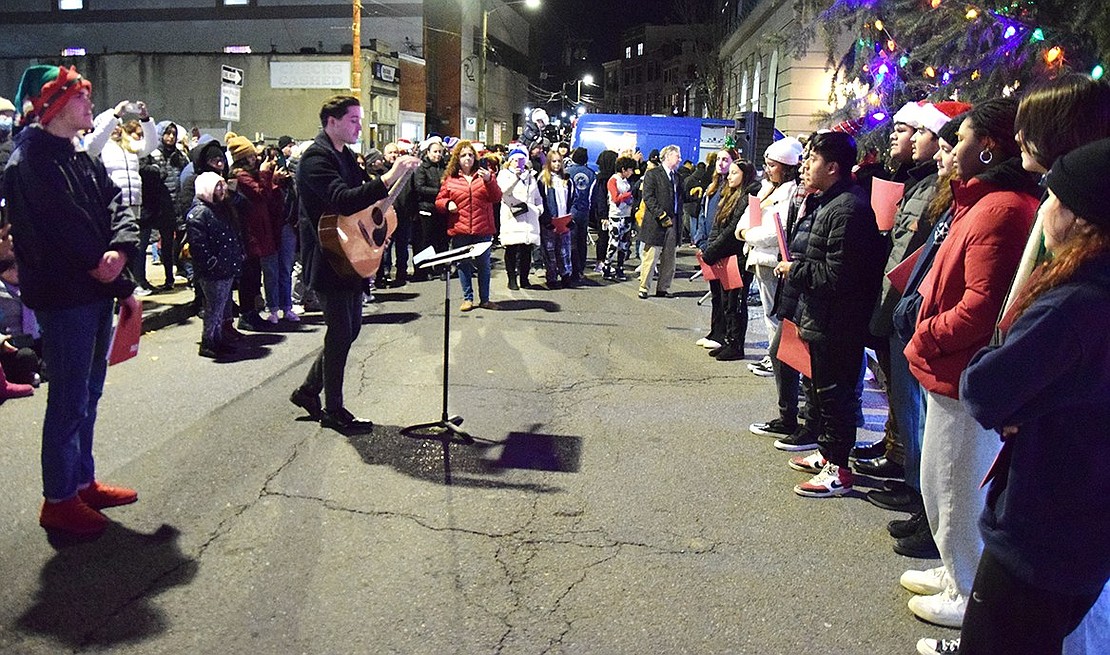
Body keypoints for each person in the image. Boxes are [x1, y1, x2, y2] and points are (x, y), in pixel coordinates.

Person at [946, 138, 1110, 655]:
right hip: (1081, 526)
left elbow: (985, 387)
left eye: (1055, 198)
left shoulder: (1077, 302)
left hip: (1044, 527)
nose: (1044, 209)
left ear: (1083, 220)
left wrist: (1012, 395)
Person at [903, 98, 1041, 629]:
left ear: (986, 147)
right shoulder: (980, 201)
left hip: (961, 371)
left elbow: (982, 306)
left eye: (957, 139)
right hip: (948, 367)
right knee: (939, 481)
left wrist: (927, 336)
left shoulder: (1002, 207)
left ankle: (966, 591)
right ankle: (953, 568)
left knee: (955, 486)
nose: (947, 149)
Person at [4, 64, 141, 537]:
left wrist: (120, 251)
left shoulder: (74, 152)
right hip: (66, 299)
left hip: (95, 290)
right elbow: (64, 232)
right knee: (68, 398)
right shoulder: (30, 162)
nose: (91, 105)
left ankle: (81, 480)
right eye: (82, 97)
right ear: (57, 105)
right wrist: (109, 268)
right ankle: (59, 499)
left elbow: (114, 202)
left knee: (88, 392)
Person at [289, 95, 420, 432]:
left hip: (351, 252)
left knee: (350, 329)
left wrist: (384, 215)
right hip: (329, 255)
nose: (360, 126)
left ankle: (307, 391)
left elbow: (367, 200)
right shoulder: (316, 159)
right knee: (341, 331)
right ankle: (333, 409)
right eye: (353, 120)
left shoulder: (345, 156)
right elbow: (343, 201)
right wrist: (390, 174)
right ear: (332, 122)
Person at [774, 131, 886, 498]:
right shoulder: (830, 202)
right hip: (821, 316)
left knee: (836, 396)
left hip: (839, 321)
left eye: (813, 160)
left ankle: (838, 469)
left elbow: (838, 276)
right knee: (824, 394)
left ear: (834, 167)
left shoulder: (849, 208)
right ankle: (827, 454)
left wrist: (796, 270)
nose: (805, 167)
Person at [740, 137, 803, 375]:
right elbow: (749, 213)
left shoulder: (790, 193)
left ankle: (777, 358)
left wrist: (748, 234)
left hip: (772, 258)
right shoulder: (769, 188)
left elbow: (778, 231)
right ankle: (773, 355)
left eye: (773, 165)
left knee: (775, 313)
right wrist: (746, 231)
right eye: (767, 164)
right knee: (770, 312)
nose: (768, 169)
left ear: (786, 168)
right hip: (760, 256)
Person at [85, 100, 157, 294]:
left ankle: (131, 284)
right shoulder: (100, 147)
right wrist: (115, 115)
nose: (117, 129)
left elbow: (151, 145)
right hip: (113, 204)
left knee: (132, 245)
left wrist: (145, 119)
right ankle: (119, 285)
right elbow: (92, 144)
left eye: (118, 126)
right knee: (116, 244)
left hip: (134, 202)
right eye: (112, 126)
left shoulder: (128, 146)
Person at [435, 140, 501, 311]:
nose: (467, 158)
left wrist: (489, 180)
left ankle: (485, 299)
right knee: (463, 265)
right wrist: (447, 203)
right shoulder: (451, 179)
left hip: (482, 228)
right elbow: (439, 201)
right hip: (460, 228)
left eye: (470, 155)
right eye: (463, 155)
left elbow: (496, 197)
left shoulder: (484, 176)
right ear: (457, 158)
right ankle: (467, 298)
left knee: (484, 265)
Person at [700, 159, 756, 361]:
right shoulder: (730, 194)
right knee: (726, 301)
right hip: (725, 255)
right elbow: (718, 225)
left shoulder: (750, 195)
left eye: (734, 173)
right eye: (729, 173)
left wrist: (712, 251)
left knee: (736, 301)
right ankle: (728, 340)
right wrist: (710, 248)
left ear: (745, 174)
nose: (730, 176)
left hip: (738, 256)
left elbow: (733, 230)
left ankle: (736, 344)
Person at [186, 172, 245, 358]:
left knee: (220, 308)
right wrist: (213, 263)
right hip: (213, 271)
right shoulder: (200, 212)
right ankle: (208, 342)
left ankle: (218, 339)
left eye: (222, 185)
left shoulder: (221, 208)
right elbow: (198, 245)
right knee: (213, 308)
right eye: (217, 186)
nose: (222, 190)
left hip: (226, 266)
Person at [693, 148, 736, 348]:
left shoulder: (733, 190)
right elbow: (703, 215)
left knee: (725, 296)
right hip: (708, 247)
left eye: (725, 160)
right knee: (715, 294)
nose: (721, 163)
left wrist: (714, 246)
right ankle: (715, 332)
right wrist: (701, 240)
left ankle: (724, 335)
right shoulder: (712, 187)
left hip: (722, 250)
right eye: (718, 159)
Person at [637, 144, 683, 299]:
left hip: (673, 222)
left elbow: (681, 197)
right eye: (677, 156)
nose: (680, 159)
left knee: (669, 258)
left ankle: (663, 288)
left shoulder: (677, 177)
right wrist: (661, 215)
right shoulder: (653, 174)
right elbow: (648, 197)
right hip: (656, 223)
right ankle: (644, 287)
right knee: (651, 256)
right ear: (668, 156)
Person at [497, 146, 543, 290]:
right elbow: (503, 192)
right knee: (511, 248)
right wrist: (516, 178)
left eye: (521, 160)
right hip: (512, 217)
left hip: (529, 217)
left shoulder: (530, 177)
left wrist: (539, 209)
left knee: (526, 250)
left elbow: (537, 197)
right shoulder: (504, 175)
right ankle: (511, 278)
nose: (518, 163)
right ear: (509, 161)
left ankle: (524, 278)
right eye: (514, 160)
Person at [538, 148, 576, 288]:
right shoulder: (543, 179)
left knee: (564, 250)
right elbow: (540, 200)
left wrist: (570, 217)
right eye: (554, 161)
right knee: (550, 251)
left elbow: (572, 199)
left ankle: (566, 275)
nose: (557, 164)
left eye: (559, 161)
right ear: (548, 162)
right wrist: (546, 219)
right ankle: (552, 277)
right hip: (549, 222)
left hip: (564, 221)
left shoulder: (567, 180)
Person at [413, 136, 447, 281]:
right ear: (428, 152)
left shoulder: (444, 167)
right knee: (425, 241)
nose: (437, 155)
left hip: (441, 209)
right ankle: (423, 269)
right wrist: (439, 192)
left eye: (440, 152)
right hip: (426, 209)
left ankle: (440, 267)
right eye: (435, 152)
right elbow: (419, 187)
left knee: (441, 240)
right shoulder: (422, 168)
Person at [602, 156, 637, 281]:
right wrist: (628, 195)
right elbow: (615, 198)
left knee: (624, 244)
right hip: (616, 215)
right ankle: (607, 266)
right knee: (614, 242)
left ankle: (620, 268)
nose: (631, 172)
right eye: (630, 170)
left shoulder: (626, 181)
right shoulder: (613, 180)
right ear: (623, 169)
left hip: (626, 215)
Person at [565, 147, 595, 281]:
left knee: (571, 241)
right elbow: (593, 196)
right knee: (582, 241)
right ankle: (580, 269)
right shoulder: (591, 174)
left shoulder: (567, 172)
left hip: (570, 210)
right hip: (584, 211)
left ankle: (570, 269)